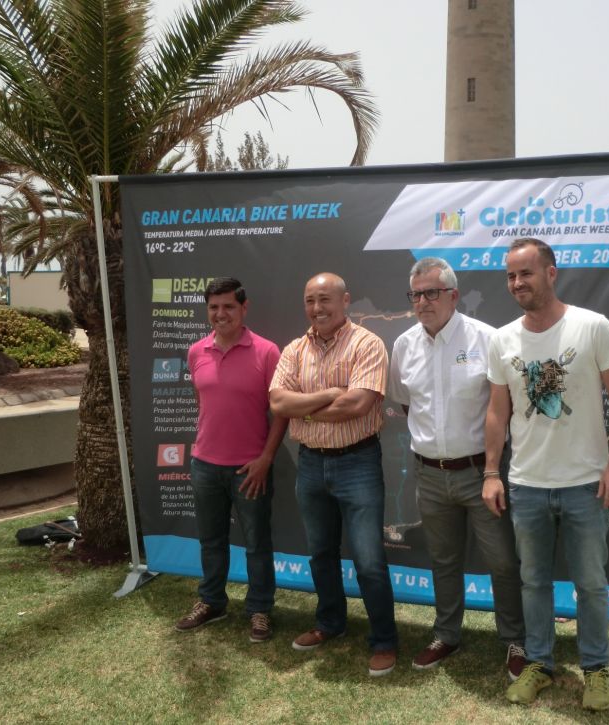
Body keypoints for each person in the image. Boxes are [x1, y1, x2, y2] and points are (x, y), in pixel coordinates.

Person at [482, 238, 609, 711]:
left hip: (585, 484)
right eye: (510, 275)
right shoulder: (502, 338)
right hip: (526, 484)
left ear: (551, 273)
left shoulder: (592, 327)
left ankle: (596, 670)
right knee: (534, 583)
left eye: (525, 273)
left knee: (591, 584)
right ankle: (540, 664)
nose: (516, 283)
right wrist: (491, 470)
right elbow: (496, 410)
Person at [388, 257, 525, 676]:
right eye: (415, 294)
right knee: (443, 560)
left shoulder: (488, 339)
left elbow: (504, 409)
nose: (422, 302)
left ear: (453, 294)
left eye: (431, 293)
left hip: (481, 474)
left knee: (502, 561)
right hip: (429, 474)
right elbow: (405, 401)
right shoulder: (404, 345)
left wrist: (489, 470)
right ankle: (446, 635)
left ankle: (517, 642)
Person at [269, 272, 398, 677]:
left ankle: (384, 640)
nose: (317, 308)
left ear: (345, 300)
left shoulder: (367, 343)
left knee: (369, 560)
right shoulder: (294, 349)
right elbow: (277, 401)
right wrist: (327, 395)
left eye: (325, 299)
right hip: (310, 463)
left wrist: (303, 405)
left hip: (357, 462)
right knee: (321, 553)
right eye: (309, 300)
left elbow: (357, 404)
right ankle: (330, 623)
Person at [176, 277, 288, 643]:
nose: (220, 314)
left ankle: (259, 610)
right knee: (211, 540)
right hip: (205, 465)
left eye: (228, 306)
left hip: (249, 469)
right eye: (213, 307)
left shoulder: (267, 351)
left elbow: (281, 413)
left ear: (244, 308)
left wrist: (266, 459)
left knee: (257, 543)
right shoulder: (196, 352)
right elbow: (203, 403)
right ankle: (211, 601)